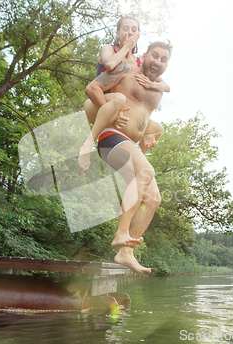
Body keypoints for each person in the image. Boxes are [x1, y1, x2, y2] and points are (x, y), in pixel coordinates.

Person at [83, 41, 172, 273]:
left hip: (130, 143)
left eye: (164, 59)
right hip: (110, 135)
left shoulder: (158, 87)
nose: (158, 62)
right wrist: (112, 113)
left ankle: (126, 252)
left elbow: (143, 116)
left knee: (153, 198)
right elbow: (92, 88)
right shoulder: (125, 70)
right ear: (144, 56)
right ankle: (121, 233)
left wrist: (150, 133)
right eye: (155, 56)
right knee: (145, 172)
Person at [78, 17, 169, 172]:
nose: (130, 32)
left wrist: (152, 84)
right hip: (97, 102)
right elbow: (110, 64)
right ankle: (87, 144)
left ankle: (138, 156)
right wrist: (126, 47)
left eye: (134, 29)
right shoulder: (109, 49)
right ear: (117, 33)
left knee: (157, 129)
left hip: (119, 110)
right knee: (120, 98)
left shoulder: (139, 62)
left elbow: (166, 87)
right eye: (125, 28)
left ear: (138, 34)